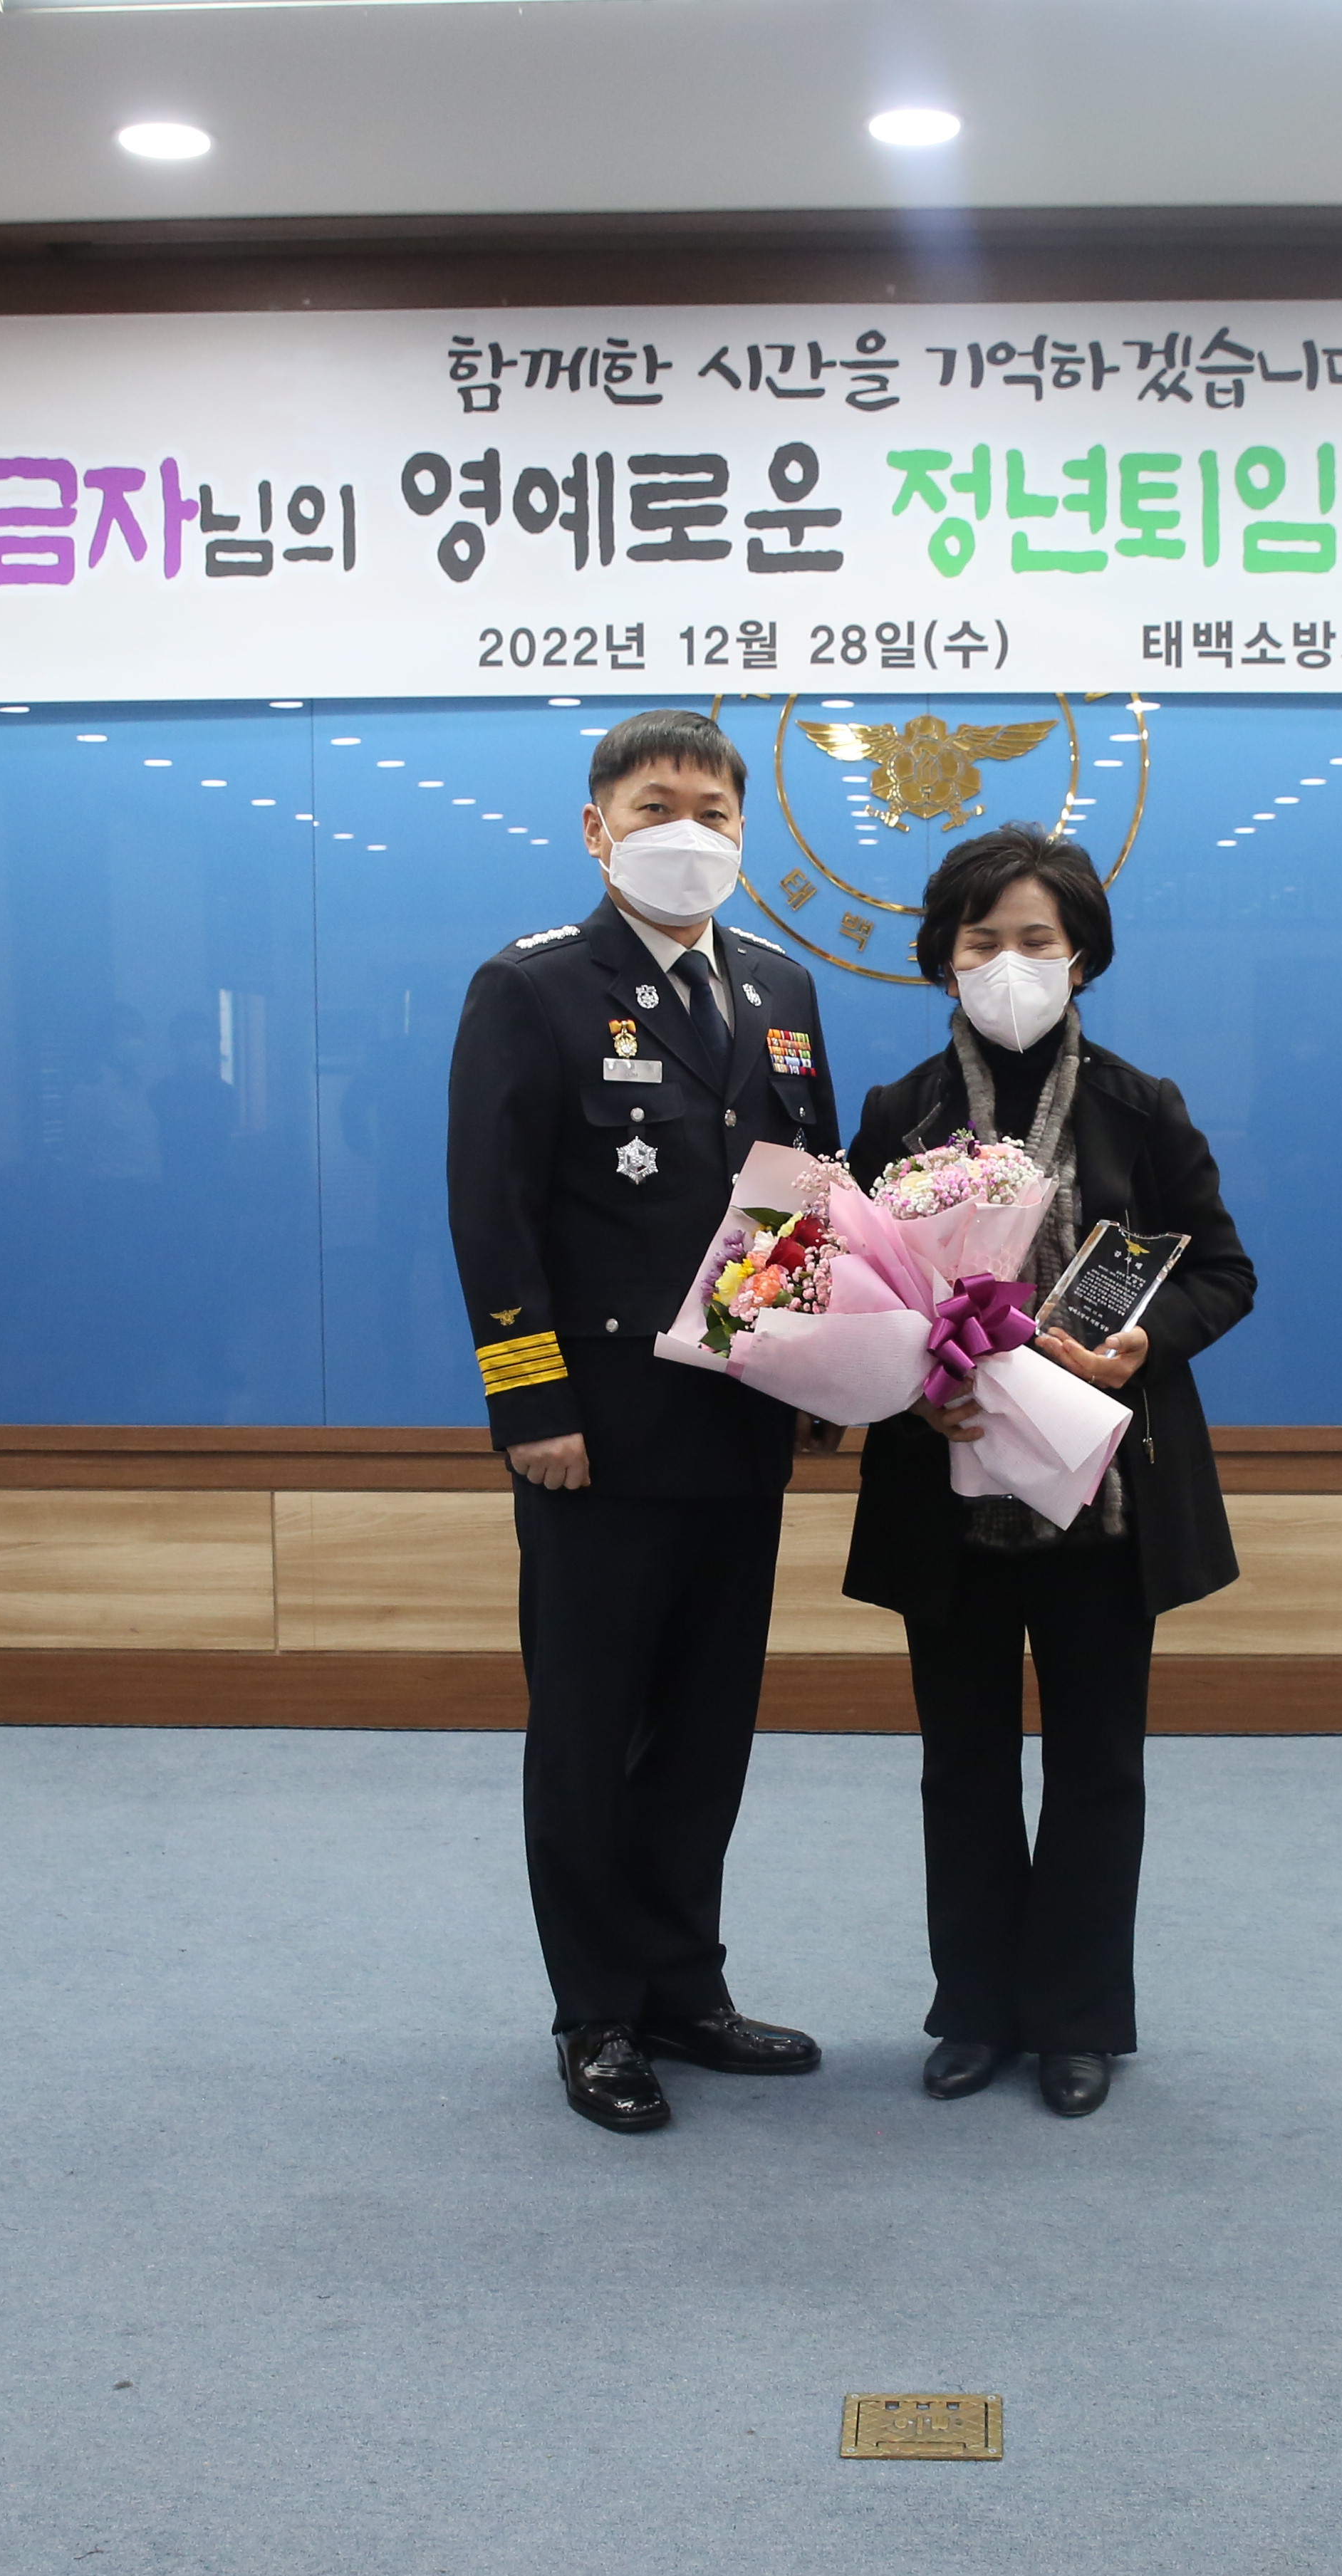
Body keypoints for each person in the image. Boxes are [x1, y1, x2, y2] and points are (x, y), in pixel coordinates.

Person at [444, 709, 843, 2135]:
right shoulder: (533, 986)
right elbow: (491, 1215)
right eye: (657, 805)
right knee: (591, 1729)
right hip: (596, 1438)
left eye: (715, 811)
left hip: (737, 1425)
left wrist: (811, 1368)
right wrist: (530, 1401)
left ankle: (684, 1986)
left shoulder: (782, 985)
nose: (689, 832)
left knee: (706, 1728)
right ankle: (599, 2014)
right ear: (596, 829)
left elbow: (803, 1188)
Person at [840, 823, 1255, 2120]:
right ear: (942, 957)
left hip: (1103, 1501)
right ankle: (974, 2010)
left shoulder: (1142, 1106)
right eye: (983, 941)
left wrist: (1146, 1341)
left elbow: (1224, 1272)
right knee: (960, 1763)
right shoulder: (899, 1113)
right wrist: (912, 1378)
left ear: (1083, 958)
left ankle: (1078, 2019)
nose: (1009, 964)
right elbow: (849, 1290)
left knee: (1096, 1765)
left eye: (1037, 940)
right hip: (947, 1495)